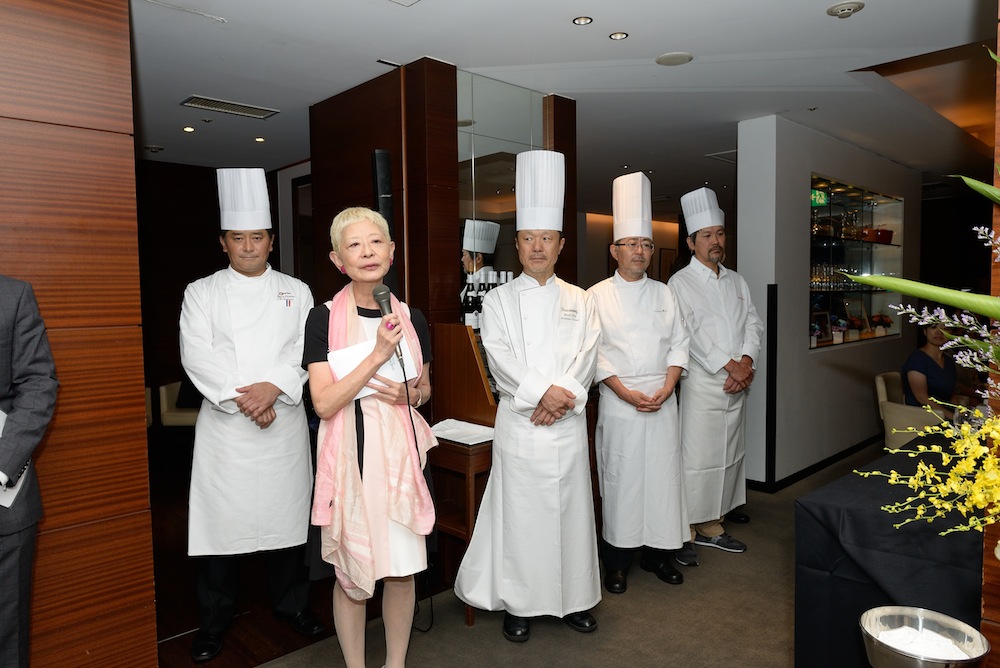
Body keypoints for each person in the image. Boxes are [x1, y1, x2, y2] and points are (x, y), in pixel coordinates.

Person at [455, 149, 602, 643]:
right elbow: (499, 358)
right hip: (521, 426)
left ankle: (574, 599)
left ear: (560, 245)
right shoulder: (497, 300)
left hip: (566, 425)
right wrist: (544, 395)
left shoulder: (582, 299)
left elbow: (588, 356)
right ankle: (519, 603)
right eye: (528, 238)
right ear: (516, 245)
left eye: (547, 238)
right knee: (521, 516)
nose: (537, 247)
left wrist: (561, 398)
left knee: (571, 514)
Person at [180, 168, 322, 662]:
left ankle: (293, 605)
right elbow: (197, 356)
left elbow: (306, 350)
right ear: (223, 243)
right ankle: (213, 622)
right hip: (227, 429)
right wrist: (246, 399)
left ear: (271, 241)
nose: (247, 247)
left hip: (281, 424)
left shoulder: (297, 291)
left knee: (288, 521)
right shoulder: (200, 292)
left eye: (256, 237)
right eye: (237, 238)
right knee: (220, 529)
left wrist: (273, 389)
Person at [304, 206, 435, 668]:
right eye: (354, 245)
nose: (367, 252)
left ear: (392, 251)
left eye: (376, 242)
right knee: (352, 578)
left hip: (401, 461)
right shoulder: (321, 319)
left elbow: (423, 388)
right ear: (338, 260)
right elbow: (323, 403)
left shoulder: (411, 317)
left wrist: (410, 395)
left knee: (401, 570)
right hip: (351, 458)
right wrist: (378, 354)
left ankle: (395, 663)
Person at [587, 172, 689, 594]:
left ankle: (659, 554)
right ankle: (617, 561)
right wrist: (625, 392)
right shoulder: (595, 295)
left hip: (662, 399)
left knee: (663, 478)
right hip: (620, 400)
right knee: (622, 479)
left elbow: (680, 343)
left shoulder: (665, 293)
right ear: (614, 250)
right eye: (631, 244)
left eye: (646, 244)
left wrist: (668, 387)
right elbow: (594, 352)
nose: (641, 252)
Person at [668, 186, 763, 566]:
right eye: (706, 235)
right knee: (697, 459)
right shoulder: (680, 283)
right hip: (704, 385)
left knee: (729, 455)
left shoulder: (737, 281)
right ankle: (685, 531)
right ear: (691, 243)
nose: (715, 241)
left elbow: (753, 323)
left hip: (736, 385)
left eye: (720, 234)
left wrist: (747, 362)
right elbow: (688, 333)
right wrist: (730, 366)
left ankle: (713, 524)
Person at [0, 276, 58, 668]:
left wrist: (1, 465)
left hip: (4, 502)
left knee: (8, 640)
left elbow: (38, 383)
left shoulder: (13, 295)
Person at [901, 322, 958, 419]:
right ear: (925, 331)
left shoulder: (949, 361)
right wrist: (953, 417)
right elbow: (922, 398)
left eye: (945, 329)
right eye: (933, 327)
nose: (939, 332)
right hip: (922, 416)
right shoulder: (917, 359)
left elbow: (951, 394)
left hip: (945, 415)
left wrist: (960, 414)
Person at [460, 218, 500, 301]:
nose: (462, 259)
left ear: (478, 258)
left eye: (464, 254)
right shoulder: (498, 280)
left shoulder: (478, 284)